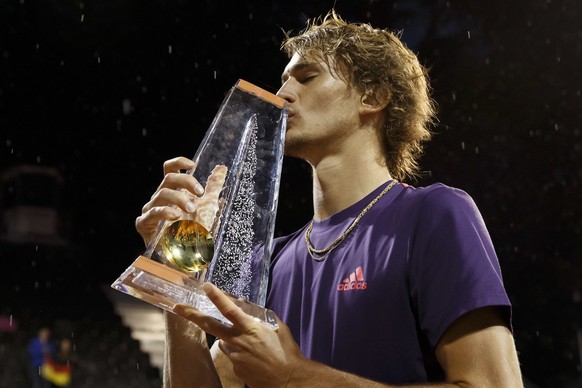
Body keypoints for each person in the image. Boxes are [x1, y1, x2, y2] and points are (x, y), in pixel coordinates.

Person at [136, 11, 523, 387]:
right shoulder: (269, 260)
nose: (282, 94)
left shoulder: (433, 215)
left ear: (372, 97)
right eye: (284, 80)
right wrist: (177, 278)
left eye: (307, 77)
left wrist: (293, 377)